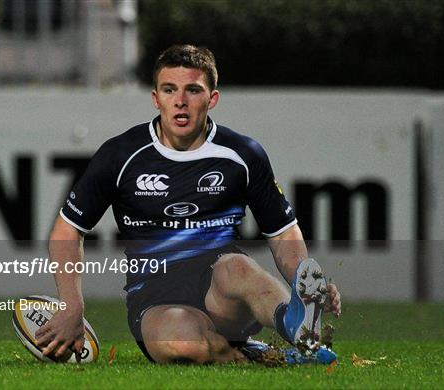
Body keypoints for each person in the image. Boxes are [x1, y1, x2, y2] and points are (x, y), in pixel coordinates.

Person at [36, 44, 341, 364]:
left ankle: (298, 323)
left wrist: (301, 283)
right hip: (155, 294)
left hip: (222, 285)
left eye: (193, 90)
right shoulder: (121, 155)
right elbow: (67, 230)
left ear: (212, 99)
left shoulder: (242, 154)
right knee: (182, 344)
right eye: (170, 89)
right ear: (156, 98)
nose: (180, 101)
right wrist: (72, 306)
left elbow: (282, 233)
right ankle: (255, 356)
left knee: (237, 267)